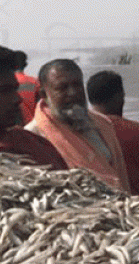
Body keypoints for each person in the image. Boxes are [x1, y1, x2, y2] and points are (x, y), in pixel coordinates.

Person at [26, 58, 132, 191]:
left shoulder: (102, 124)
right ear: (43, 94)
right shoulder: (33, 136)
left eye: (77, 85)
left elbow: (120, 174)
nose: (73, 93)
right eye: (62, 88)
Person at [86, 70, 139, 196]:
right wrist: (136, 188)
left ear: (90, 99)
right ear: (120, 96)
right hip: (131, 202)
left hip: (92, 201)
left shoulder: (77, 133)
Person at [13, 51, 40, 125]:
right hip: (32, 124)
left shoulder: (7, 83)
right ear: (25, 65)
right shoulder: (34, 82)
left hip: (14, 125)